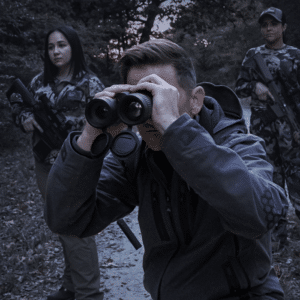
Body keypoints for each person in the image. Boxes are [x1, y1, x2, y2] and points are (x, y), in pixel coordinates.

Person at [45, 38, 289, 300]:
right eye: (138, 99)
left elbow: (264, 216)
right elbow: (67, 220)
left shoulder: (237, 145)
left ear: (195, 101)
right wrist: (88, 140)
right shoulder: (140, 157)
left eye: (160, 96)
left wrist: (177, 132)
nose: (149, 113)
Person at [9, 26, 105, 300]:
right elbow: (18, 105)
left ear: (73, 47)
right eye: (51, 47)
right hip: (45, 163)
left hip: (77, 164)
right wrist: (24, 119)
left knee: (75, 226)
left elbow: (105, 120)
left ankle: (89, 293)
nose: (56, 51)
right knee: (62, 224)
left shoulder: (91, 84)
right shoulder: (39, 82)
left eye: (61, 45)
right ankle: (71, 287)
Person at [235, 7, 300, 246]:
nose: (269, 28)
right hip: (264, 129)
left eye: (274, 24)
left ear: (283, 27)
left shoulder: (295, 55)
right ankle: (276, 240)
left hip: (291, 131)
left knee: (297, 180)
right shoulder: (254, 55)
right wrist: (255, 88)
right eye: (265, 25)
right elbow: (240, 87)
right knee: (270, 181)